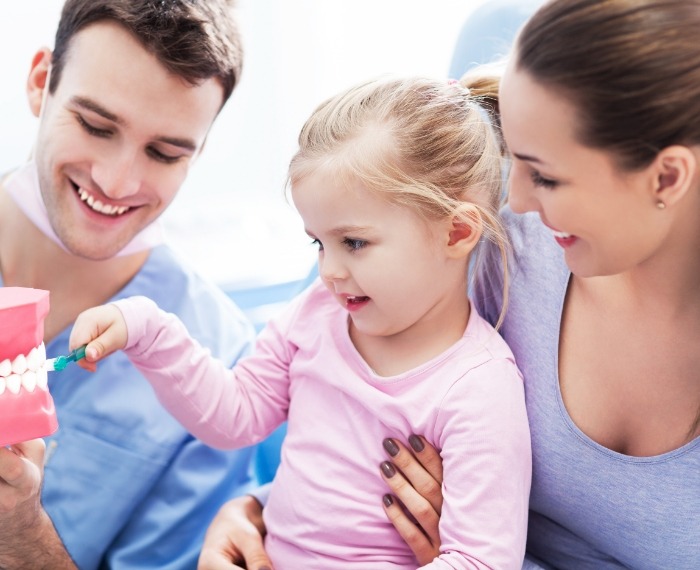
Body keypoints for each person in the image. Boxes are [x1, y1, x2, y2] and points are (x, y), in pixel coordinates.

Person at [204, 1, 700, 569]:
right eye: (516, 160)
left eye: (546, 175)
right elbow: (342, 403)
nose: (516, 202)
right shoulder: (495, 242)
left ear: (667, 176)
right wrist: (256, 512)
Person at [70, 76, 532, 569]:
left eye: (354, 242)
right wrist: (146, 328)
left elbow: (479, 561)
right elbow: (236, 414)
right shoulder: (318, 313)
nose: (328, 270)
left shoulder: (478, 389)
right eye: (319, 242)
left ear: (457, 232)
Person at [0, 1, 258, 568]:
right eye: (95, 126)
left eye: (165, 153)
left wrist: (18, 532)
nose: (117, 181)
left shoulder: (221, 370)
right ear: (42, 83)